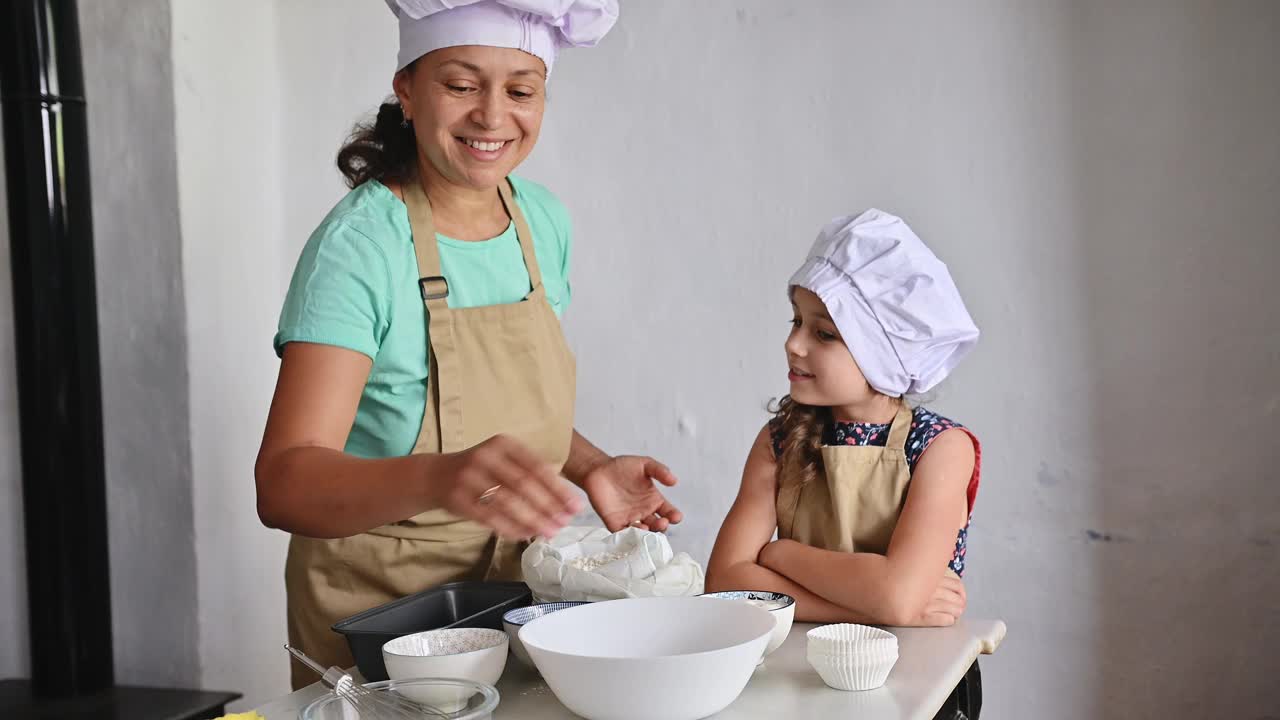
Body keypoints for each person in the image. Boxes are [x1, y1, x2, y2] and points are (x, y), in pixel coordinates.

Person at [254, 0, 682, 689]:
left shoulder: (539, 219)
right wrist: (442, 476)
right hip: (381, 618)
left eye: (520, 90)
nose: (491, 116)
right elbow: (284, 485)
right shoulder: (360, 248)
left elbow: (491, 409)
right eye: (460, 84)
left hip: (515, 595)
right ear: (407, 89)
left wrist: (590, 465)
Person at [706, 209, 981, 628]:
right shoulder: (781, 439)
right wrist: (868, 607)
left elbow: (897, 596)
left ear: (884, 353)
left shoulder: (941, 447)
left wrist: (779, 556)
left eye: (824, 334)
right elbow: (724, 585)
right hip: (804, 669)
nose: (793, 344)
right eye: (796, 320)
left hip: (921, 677)